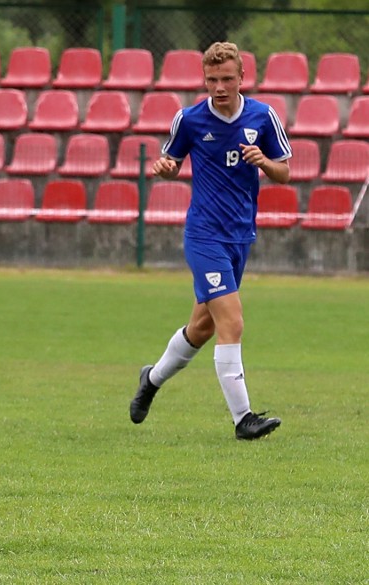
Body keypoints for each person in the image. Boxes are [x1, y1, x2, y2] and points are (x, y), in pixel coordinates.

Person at [129, 42, 291, 440]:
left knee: (201, 327)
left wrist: (263, 162)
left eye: (227, 79)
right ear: (205, 79)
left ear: (241, 78)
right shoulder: (189, 119)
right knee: (232, 321)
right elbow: (171, 164)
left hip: (240, 236)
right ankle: (243, 419)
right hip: (203, 235)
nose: (219, 87)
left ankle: (152, 378)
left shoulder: (262, 116)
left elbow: (284, 173)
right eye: (212, 79)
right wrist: (166, 169)